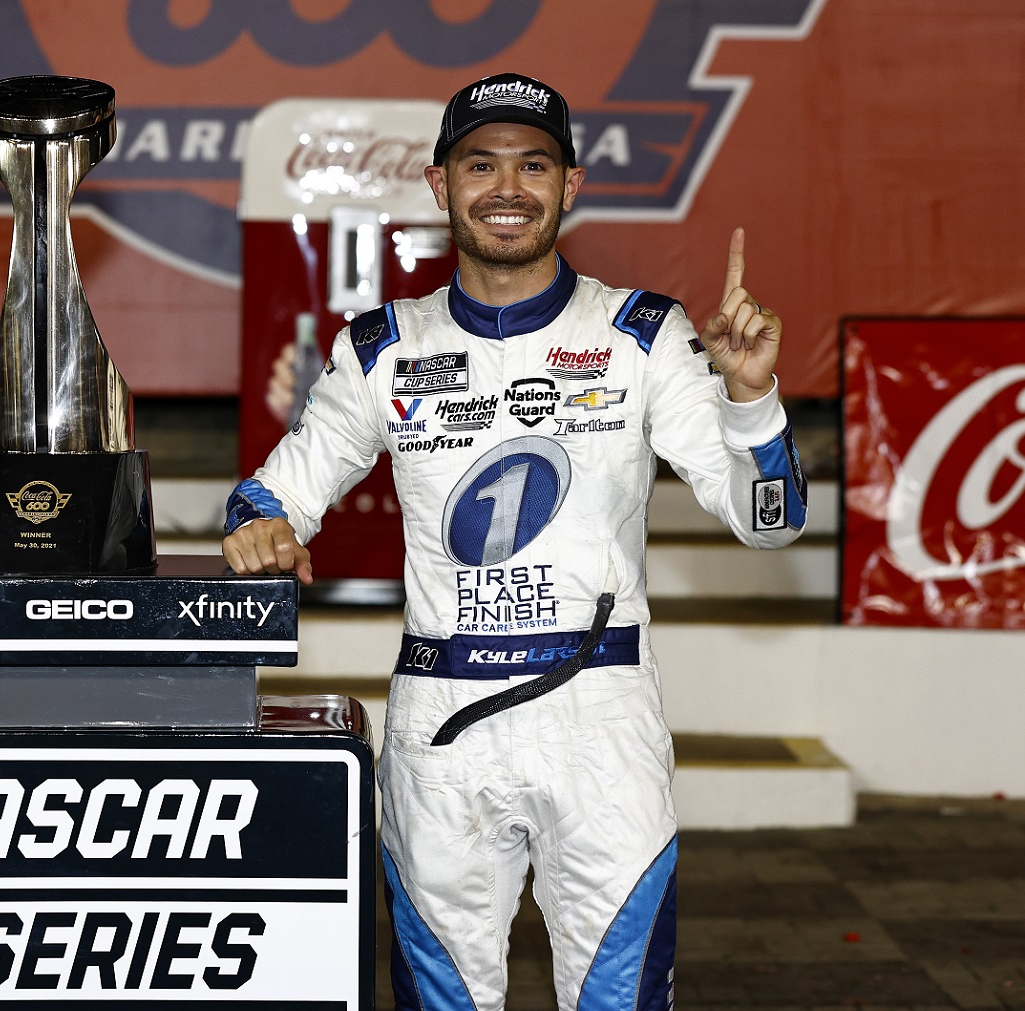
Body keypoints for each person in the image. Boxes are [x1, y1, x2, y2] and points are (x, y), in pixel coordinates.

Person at [223, 72, 807, 1011]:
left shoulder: (640, 335)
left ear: (569, 185)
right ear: (437, 182)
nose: (507, 187)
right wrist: (259, 528)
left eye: (533, 165)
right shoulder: (380, 346)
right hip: (441, 726)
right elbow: (271, 495)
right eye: (480, 164)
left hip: (601, 721)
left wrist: (750, 398)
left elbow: (769, 523)